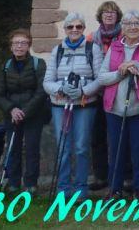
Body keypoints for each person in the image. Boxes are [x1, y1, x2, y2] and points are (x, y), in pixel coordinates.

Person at [98, 9, 139, 200]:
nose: (133, 27)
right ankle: (115, 189)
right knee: (116, 150)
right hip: (115, 109)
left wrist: (138, 67)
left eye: (137, 23)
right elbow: (102, 77)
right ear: (122, 27)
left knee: (138, 149)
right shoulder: (115, 47)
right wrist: (120, 71)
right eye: (129, 24)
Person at [44, 12, 104, 199]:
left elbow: (100, 78)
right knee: (63, 147)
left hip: (85, 105)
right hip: (60, 105)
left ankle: (80, 189)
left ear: (83, 29)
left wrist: (84, 91)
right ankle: (63, 189)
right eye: (70, 27)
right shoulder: (57, 50)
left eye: (79, 26)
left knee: (81, 147)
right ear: (65, 29)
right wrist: (60, 88)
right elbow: (47, 81)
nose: (74, 30)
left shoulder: (92, 49)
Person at [0, 28, 48, 194]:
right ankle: (13, 182)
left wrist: (24, 111)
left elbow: (41, 92)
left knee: (32, 148)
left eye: (23, 43)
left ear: (29, 45)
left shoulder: (39, 64)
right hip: (11, 115)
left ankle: (31, 184)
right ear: (11, 46)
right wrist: (11, 109)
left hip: (33, 114)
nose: (19, 46)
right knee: (13, 148)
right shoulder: (6, 66)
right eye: (16, 43)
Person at [88, 1, 129, 191]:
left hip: (118, 90)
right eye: (105, 12)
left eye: (113, 12)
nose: (109, 15)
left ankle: (124, 176)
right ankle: (101, 176)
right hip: (96, 92)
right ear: (100, 16)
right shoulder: (91, 38)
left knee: (121, 135)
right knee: (97, 136)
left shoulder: (125, 36)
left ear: (118, 16)